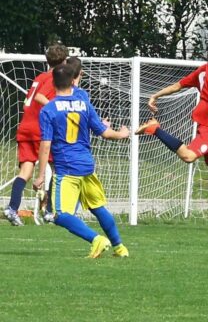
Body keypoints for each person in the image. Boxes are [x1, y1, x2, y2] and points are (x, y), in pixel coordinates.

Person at [136, 41, 208, 233]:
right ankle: (154, 129)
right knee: (189, 156)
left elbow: (178, 85)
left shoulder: (202, 71)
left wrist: (155, 96)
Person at [33, 64, 130, 258]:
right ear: (72, 81)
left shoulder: (49, 109)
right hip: (87, 165)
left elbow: (46, 144)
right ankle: (120, 247)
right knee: (97, 207)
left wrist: (41, 175)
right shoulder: (84, 104)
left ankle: (97, 239)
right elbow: (104, 132)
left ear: (52, 83)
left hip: (67, 168)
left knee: (60, 215)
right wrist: (122, 133)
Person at [3, 44, 68, 226]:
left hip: (25, 126)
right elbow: (40, 97)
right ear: (64, 61)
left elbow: (31, 99)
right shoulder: (55, 77)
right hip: (40, 128)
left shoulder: (39, 76)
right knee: (58, 167)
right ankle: (49, 212)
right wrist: (56, 109)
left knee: (26, 171)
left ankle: (12, 208)